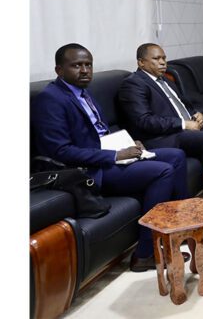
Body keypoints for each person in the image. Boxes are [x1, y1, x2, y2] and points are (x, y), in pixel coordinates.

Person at [31, 43, 189, 272]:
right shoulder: (50, 100)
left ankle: (178, 230)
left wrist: (129, 143)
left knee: (176, 156)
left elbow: (101, 133)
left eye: (88, 65)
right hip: (88, 170)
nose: (84, 70)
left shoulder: (83, 92)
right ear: (59, 70)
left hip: (106, 155)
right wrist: (115, 155)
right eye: (76, 65)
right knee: (162, 171)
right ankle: (145, 253)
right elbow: (60, 151)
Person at [118, 43, 203, 172]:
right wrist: (183, 124)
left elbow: (184, 105)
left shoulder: (164, 80)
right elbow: (145, 121)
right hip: (161, 137)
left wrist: (198, 115)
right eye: (156, 59)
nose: (162, 63)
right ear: (141, 62)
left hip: (183, 127)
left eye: (164, 58)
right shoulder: (133, 84)